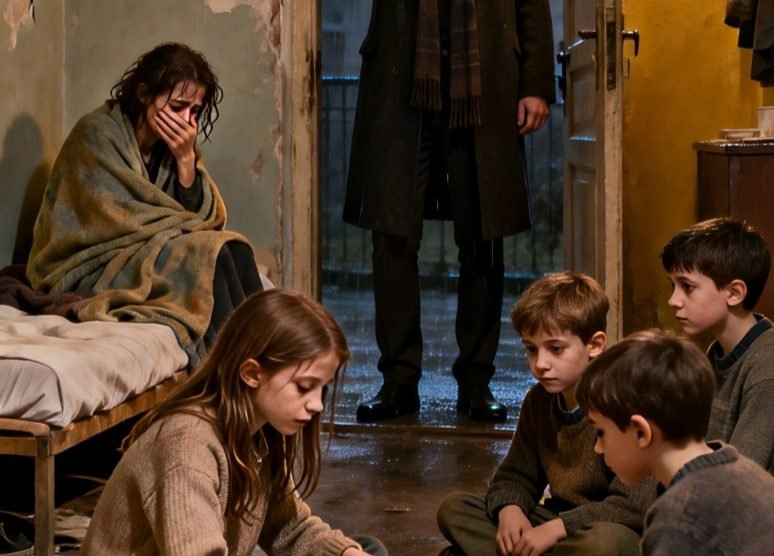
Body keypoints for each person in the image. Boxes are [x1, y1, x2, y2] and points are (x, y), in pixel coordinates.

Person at [344, 0, 556, 422]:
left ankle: (476, 380)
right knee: (392, 236)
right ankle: (399, 380)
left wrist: (535, 83)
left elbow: (531, 5)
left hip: (483, 83)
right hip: (401, 84)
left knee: (483, 237)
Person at [81, 288, 388, 556]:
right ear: (252, 373)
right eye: (304, 387)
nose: (317, 404)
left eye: (323, 388)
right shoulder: (186, 446)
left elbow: (290, 529)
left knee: (365, 547)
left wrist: (346, 552)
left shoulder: (260, 431)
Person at [26, 42, 263, 365]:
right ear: (143, 93)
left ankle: (265, 358)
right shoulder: (96, 134)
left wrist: (185, 160)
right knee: (211, 255)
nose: (187, 121)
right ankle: (226, 370)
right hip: (95, 261)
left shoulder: (176, 148)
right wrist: (180, 238)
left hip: (145, 252)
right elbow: (111, 221)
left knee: (235, 249)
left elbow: (201, 220)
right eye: (178, 107)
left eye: (194, 112)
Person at [436, 272, 656, 555]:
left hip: (609, 528)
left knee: (605, 543)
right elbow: (515, 475)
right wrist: (510, 509)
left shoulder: (624, 402)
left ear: (594, 345)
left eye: (555, 349)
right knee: (455, 509)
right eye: (531, 349)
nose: (540, 364)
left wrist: (559, 528)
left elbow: (634, 507)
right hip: (555, 521)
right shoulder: (538, 401)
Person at [576, 329, 774, 555]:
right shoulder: (740, 469)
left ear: (640, 432)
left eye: (600, 432)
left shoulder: (679, 517)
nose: (598, 448)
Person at [661, 217, 774, 472]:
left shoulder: (766, 368)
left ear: (734, 293)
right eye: (672, 285)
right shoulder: (715, 355)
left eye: (687, 286)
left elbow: (740, 477)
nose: (673, 300)